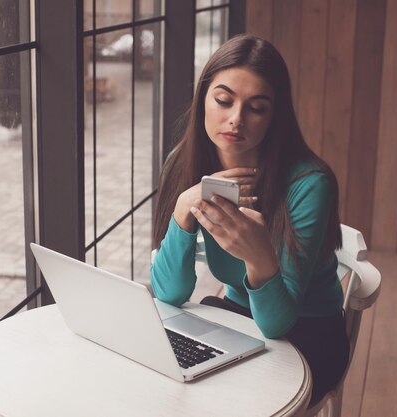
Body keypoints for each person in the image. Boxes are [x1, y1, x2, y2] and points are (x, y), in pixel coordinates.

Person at [150, 34, 349, 405]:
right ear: (203, 100)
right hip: (237, 316)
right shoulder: (182, 163)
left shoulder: (309, 184)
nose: (236, 119)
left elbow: (277, 324)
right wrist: (183, 210)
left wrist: (259, 257)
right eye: (223, 100)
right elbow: (168, 293)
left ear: (275, 116)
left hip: (309, 331)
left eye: (256, 108)